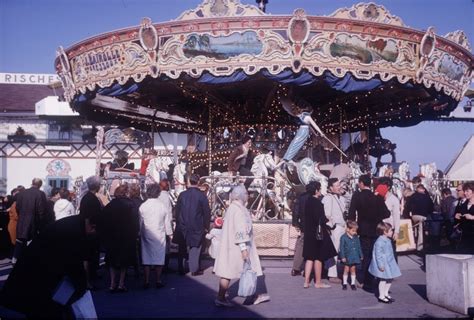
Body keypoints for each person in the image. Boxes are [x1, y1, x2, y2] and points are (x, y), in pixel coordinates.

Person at [0, 215, 94, 318]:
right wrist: (81, 285)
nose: (93, 232)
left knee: (36, 306)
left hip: (35, 270)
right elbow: (73, 262)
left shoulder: (70, 225)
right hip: (39, 276)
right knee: (41, 307)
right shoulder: (73, 231)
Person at [213, 185, 270, 307]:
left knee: (227, 272)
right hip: (239, 246)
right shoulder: (239, 210)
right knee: (250, 269)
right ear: (242, 195)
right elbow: (240, 230)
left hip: (230, 246)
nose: (248, 196)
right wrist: (244, 249)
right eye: (246, 193)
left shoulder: (232, 208)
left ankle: (221, 297)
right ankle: (254, 295)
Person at [348, 174, 390, 291]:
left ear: (361, 183)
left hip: (363, 229)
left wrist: (352, 227)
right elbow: (386, 214)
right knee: (375, 255)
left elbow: (351, 214)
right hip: (376, 229)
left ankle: (365, 280)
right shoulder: (376, 197)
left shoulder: (357, 196)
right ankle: (373, 278)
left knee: (366, 255)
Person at [99, 184, 138, 293]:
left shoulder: (110, 205)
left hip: (112, 236)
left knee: (112, 260)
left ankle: (112, 283)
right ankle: (121, 284)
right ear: (126, 192)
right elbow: (135, 221)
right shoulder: (131, 204)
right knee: (124, 262)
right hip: (126, 236)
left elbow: (103, 221)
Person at [303, 181, 337, 289]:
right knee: (318, 257)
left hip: (308, 232)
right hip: (317, 233)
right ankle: (318, 282)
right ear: (316, 190)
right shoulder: (318, 203)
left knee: (309, 258)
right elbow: (320, 219)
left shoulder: (307, 202)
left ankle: (306, 282)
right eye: (319, 188)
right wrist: (328, 219)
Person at [175, 173, 211, 276]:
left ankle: (181, 268)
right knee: (195, 247)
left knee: (182, 247)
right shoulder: (202, 196)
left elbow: (177, 211)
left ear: (189, 182)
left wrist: (178, 223)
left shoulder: (182, 195)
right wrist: (206, 226)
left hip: (183, 224)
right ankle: (194, 268)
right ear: (198, 182)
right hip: (197, 224)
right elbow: (206, 212)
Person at [139, 183, 173, 288]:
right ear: (158, 193)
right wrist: (169, 233)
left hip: (147, 234)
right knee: (159, 258)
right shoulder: (162, 206)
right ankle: (158, 280)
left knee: (146, 258)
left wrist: (139, 232)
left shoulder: (143, 206)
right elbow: (167, 221)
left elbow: (140, 222)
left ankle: (146, 281)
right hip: (159, 234)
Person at [13, 178, 47, 263]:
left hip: (22, 221)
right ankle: (28, 261)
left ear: (32, 183)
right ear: (40, 185)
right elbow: (41, 210)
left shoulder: (22, 193)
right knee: (30, 242)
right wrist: (41, 223)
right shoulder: (40, 194)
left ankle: (15, 259)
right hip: (33, 222)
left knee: (19, 241)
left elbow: (17, 207)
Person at [79, 175, 102, 290]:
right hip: (89, 231)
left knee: (91, 255)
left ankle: (91, 276)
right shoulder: (89, 198)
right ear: (97, 186)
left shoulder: (88, 197)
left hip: (91, 230)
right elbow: (86, 216)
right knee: (87, 257)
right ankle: (87, 281)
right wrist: (89, 229)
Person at [368, 222, 402, 304]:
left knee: (390, 278)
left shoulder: (388, 240)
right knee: (383, 279)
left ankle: (386, 293)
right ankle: (381, 296)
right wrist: (380, 265)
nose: (392, 232)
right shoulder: (379, 242)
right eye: (390, 231)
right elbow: (378, 255)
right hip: (384, 263)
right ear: (384, 232)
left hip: (389, 262)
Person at [290, 181, 318, 276]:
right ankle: (309, 270)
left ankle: (296, 268)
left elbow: (295, 211)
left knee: (300, 246)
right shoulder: (316, 198)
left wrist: (295, 223)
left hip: (303, 226)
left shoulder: (301, 198)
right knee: (312, 248)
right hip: (313, 226)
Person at [322, 178, 346, 284]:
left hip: (342, 226)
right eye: (337, 185)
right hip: (335, 228)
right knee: (334, 251)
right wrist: (330, 228)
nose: (339, 187)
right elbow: (327, 215)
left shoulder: (341, 197)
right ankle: (332, 274)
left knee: (339, 251)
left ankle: (332, 270)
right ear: (331, 188)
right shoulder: (328, 198)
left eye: (339, 184)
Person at [404, 184, 434, 251]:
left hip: (414, 216)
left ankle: (414, 242)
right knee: (421, 231)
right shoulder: (427, 197)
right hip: (423, 216)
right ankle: (420, 248)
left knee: (415, 229)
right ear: (423, 189)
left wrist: (408, 217)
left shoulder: (412, 196)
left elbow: (407, 208)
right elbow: (431, 208)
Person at [378, 178, 401, 260]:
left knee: (391, 251)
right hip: (379, 228)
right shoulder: (377, 197)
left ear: (388, 187)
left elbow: (396, 216)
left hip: (389, 229)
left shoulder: (393, 199)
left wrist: (397, 231)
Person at [339, 220, 363, 291]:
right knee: (346, 269)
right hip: (347, 257)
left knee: (353, 269)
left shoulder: (356, 237)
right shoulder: (343, 237)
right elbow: (341, 248)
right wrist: (342, 256)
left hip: (354, 256)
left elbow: (359, 246)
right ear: (347, 229)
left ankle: (352, 283)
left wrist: (360, 254)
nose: (355, 232)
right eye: (353, 231)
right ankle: (345, 283)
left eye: (355, 231)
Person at [454, 182, 474, 254]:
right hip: (465, 237)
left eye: (467, 191)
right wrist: (457, 216)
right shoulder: (463, 205)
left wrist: (472, 217)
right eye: (464, 191)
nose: (465, 193)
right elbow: (459, 219)